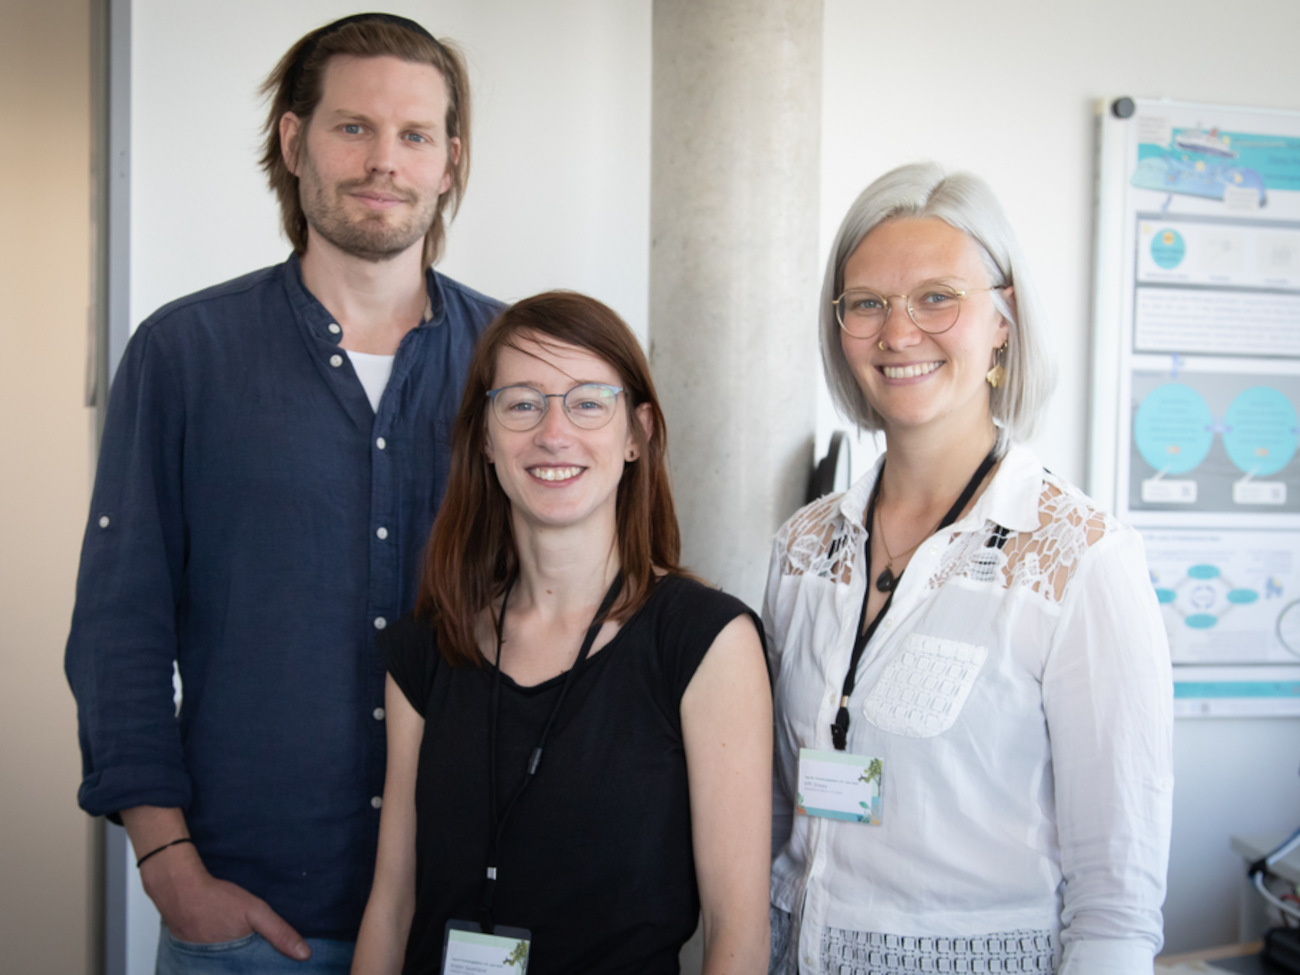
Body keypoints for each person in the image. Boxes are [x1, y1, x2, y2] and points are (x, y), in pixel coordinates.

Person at [64, 13, 501, 972]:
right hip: (250, 918)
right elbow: (119, 627)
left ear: (449, 161)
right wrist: (169, 864)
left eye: (414, 135)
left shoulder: (512, 364)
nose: (385, 161)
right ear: (294, 140)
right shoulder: (185, 355)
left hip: (464, 912)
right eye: (354, 127)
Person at [765, 162, 1173, 975]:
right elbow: (777, 813)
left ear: (1004, 319)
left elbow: (1116, 903)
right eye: (867, 303)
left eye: (937, 297)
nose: (898, 332)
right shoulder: (805, 546)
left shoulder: (1080, 559)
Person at [351, 292, 773, 975]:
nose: (553, 432)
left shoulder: (704, 643)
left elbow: (739, 936)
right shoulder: (429, 645)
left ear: (636, 433)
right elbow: (392, 906)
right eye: (522, 402)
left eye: (587, 401)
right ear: (485, 438)